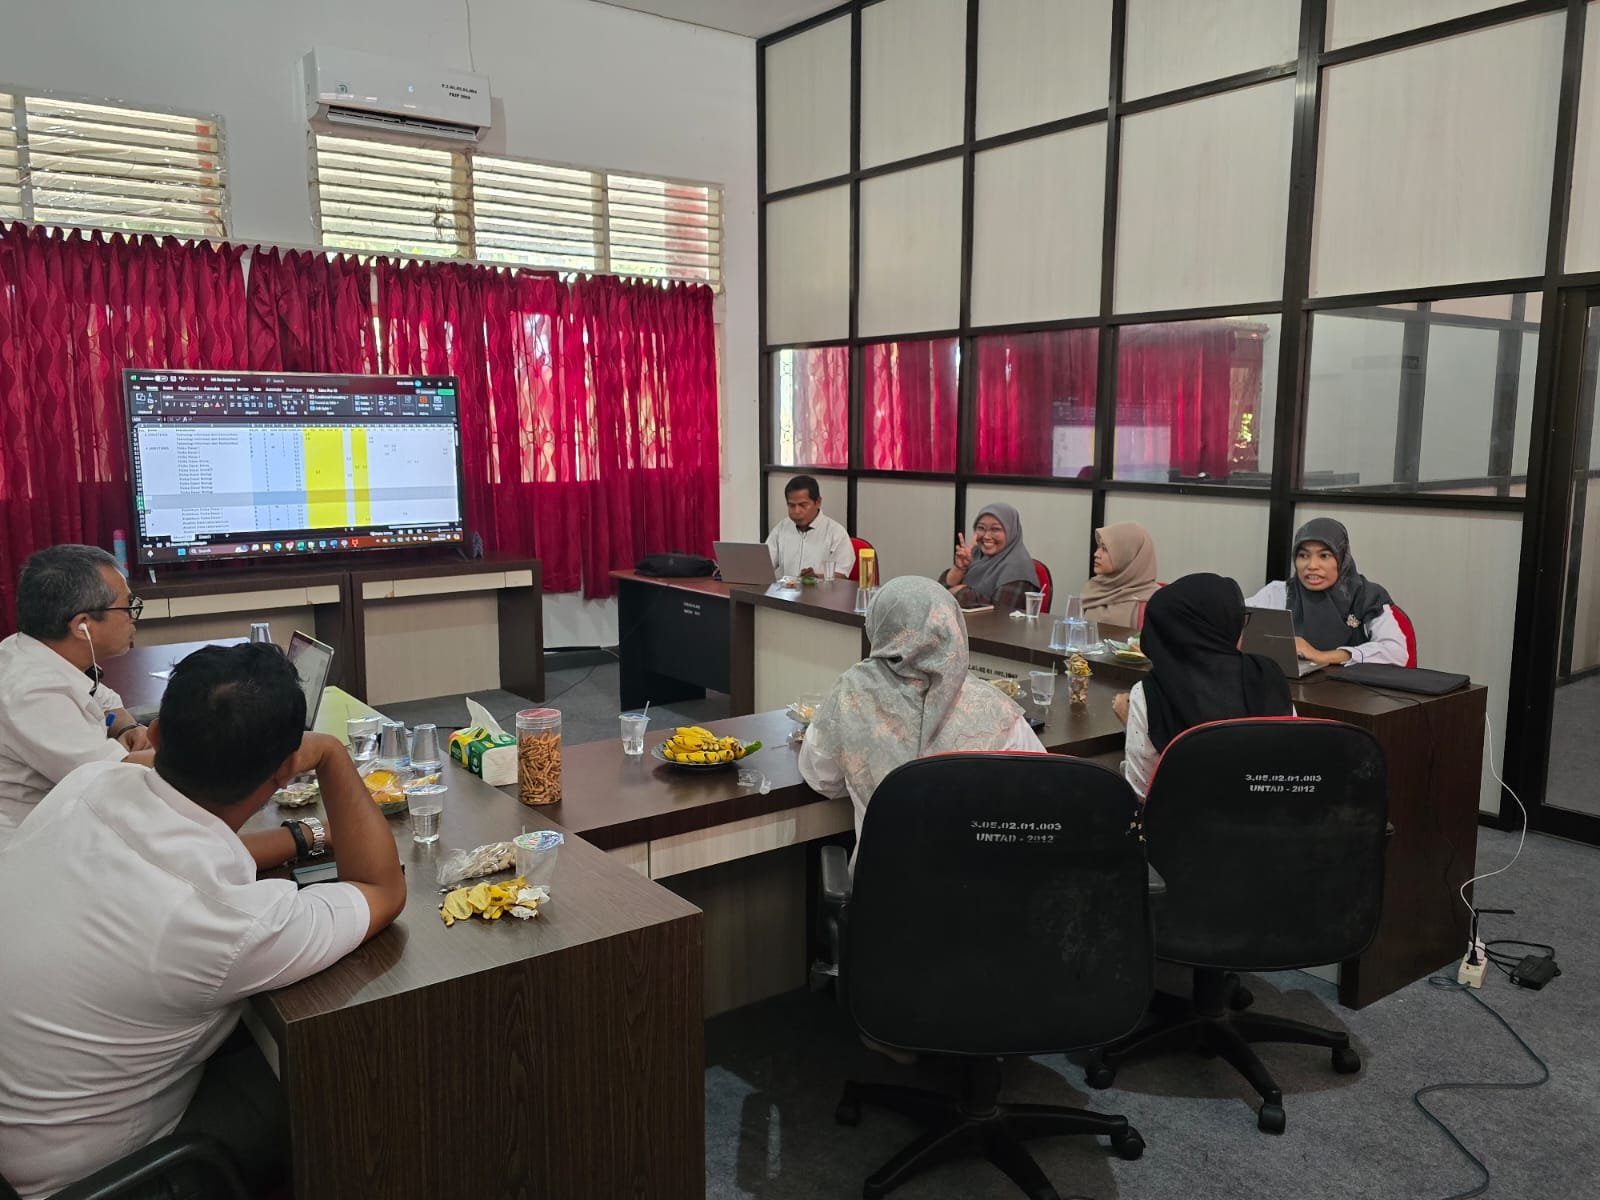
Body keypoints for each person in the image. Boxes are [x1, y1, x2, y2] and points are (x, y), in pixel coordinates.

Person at [0, 643, 407, 1200]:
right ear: (286, 771)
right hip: (95, 1176)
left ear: (159, 733)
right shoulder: (224, 921)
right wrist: (333, 754)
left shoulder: (88, 784)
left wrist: (300, 834)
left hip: (23, 1122)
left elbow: (187, 840)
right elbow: (382, 889)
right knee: (357, 1082)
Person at [800, 575, 1043, 858]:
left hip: (887, 890)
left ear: (879, 624)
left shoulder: (851, 693)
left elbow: (820, 777)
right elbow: (1042, 795)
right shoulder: (995, 708)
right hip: (985, 891)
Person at [0, 544, 152, 848]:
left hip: (73, 820)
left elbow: (108, 704)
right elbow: (113, 779)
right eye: (127, 606)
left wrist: (127, 728)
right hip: (32, 850)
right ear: (82, 626)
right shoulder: (33, 692)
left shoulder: (33, 649)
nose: (133, 617)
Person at [1113, 573, 1294, 799]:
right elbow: (1291, 762)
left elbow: (1142, 792)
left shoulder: (1151, 692)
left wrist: (1131, 724)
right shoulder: (1268, 674)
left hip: (1187, 830)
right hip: (1274, 823)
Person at [1244, 518, 1407, 666]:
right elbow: (1234, 621)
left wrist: (1324, 656)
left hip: (1353, 693)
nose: (1312, 565)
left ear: (1342, 559)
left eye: (1324, 556)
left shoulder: (1366, 596)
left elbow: (1397, 652)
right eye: (1303, 555)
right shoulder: (1279, 592)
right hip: (1288, 690)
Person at [939, 502, 1038, 612]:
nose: (986, 536)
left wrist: (962, 591)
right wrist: (959, 569)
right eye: (981, 528)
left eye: (995, 529)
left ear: (1011, 532)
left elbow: (1000, 613)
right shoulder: (975, 555)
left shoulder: (1018, 568)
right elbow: (937, 594)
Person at [766, 474, 853, 580]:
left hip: (822, 595)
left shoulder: (836, 533)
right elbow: (764, 565)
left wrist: (816, 577)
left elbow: (841, 575)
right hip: (785, 593)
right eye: (791, 505)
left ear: (818, 502)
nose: (796, 511)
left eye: (802, 505)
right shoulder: (781, 529)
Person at [1081, 522, 1160, 628]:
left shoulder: (1151, 602)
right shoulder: (1095, 588)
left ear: (1128, 556)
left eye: (1105, 549)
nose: (1096, 554)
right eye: (1098, 547)